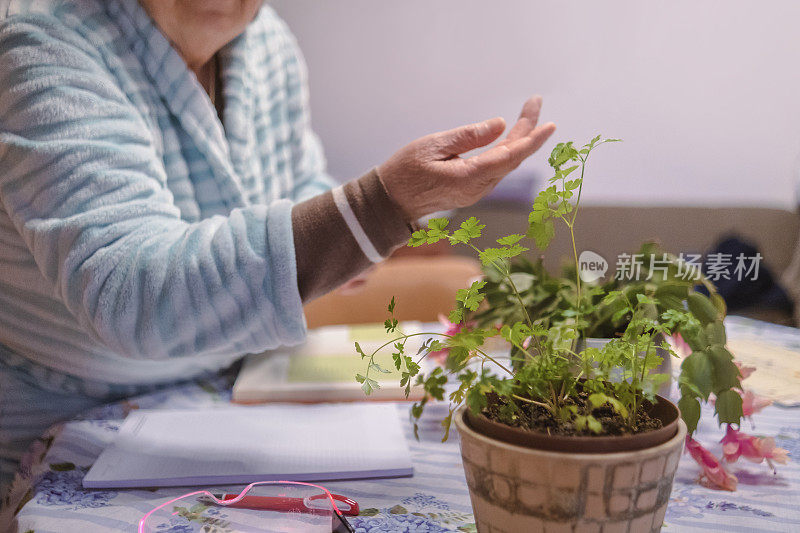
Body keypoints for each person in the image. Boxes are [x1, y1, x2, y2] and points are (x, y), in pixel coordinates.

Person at [0, 0, 555, 490]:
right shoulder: (42, 48)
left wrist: (373, 227)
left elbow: (294, 190)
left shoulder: (267, 43)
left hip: (230, 397)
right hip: (63, 425)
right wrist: (376, 208)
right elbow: (130, 293)